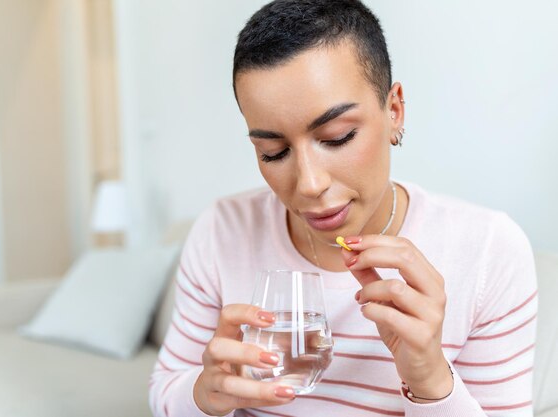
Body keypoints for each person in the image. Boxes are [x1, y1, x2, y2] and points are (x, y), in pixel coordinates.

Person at [149, 1, 537, 416]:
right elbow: (165, 391)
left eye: (337, 137)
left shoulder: (489, 251)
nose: (309, 184)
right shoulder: (222, 230)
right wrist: (204, 395)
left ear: (394, 111)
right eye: (273, 152)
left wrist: (430, 381)